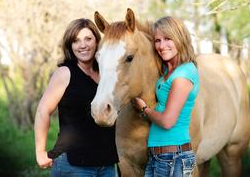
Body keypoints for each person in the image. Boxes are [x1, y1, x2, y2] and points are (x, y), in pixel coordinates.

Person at [34, 18, 119, 177]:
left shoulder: (106, 73)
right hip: (73, 164)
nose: (83, 45)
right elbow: (42, 111)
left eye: (88, 39)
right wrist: (40, 152)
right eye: (76, 41)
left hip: (107, 164)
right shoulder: (65, 73)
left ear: (97, 41)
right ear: (70, 45)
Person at [133, 16, 199, 177]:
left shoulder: (184, 74)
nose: (162, 46)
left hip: (174, 157)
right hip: (159, 157)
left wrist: (144, 109)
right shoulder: (167, 71)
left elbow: (167, 121)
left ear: (180, 38)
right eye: (157, 40)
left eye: (167, 39)